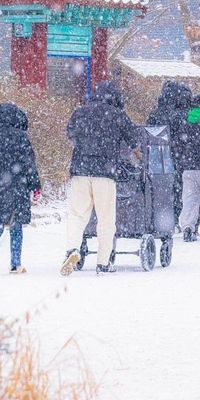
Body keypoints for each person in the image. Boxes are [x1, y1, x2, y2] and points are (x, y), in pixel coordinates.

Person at [61, 81, 137, 276]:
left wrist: (85, 144)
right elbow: (134, 140)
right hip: (105, 173)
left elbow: (70, 134)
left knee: (77, 214)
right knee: (106, 219)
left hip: (80, 170)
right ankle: (103, 263)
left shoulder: (80, 112)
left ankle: (72, 249)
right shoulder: (117, 115)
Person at [0, 103, 41, 276]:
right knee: (16, 226)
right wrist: (35, 186)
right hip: (17, 186)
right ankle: (15, 265)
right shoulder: (21, 137)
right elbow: (29, 165)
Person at [147, 80, 192, 227]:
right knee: (177, 188)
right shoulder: (180, 115)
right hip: (178, 156)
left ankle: (158, 217)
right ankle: (175, 218)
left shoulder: (154, 114)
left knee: (158, 189)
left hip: (156, 158)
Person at [173, 93, 200, 242]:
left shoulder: (185, 119)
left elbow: (178, 143)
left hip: (188, 167)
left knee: (190, 200)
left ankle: (188, 227)